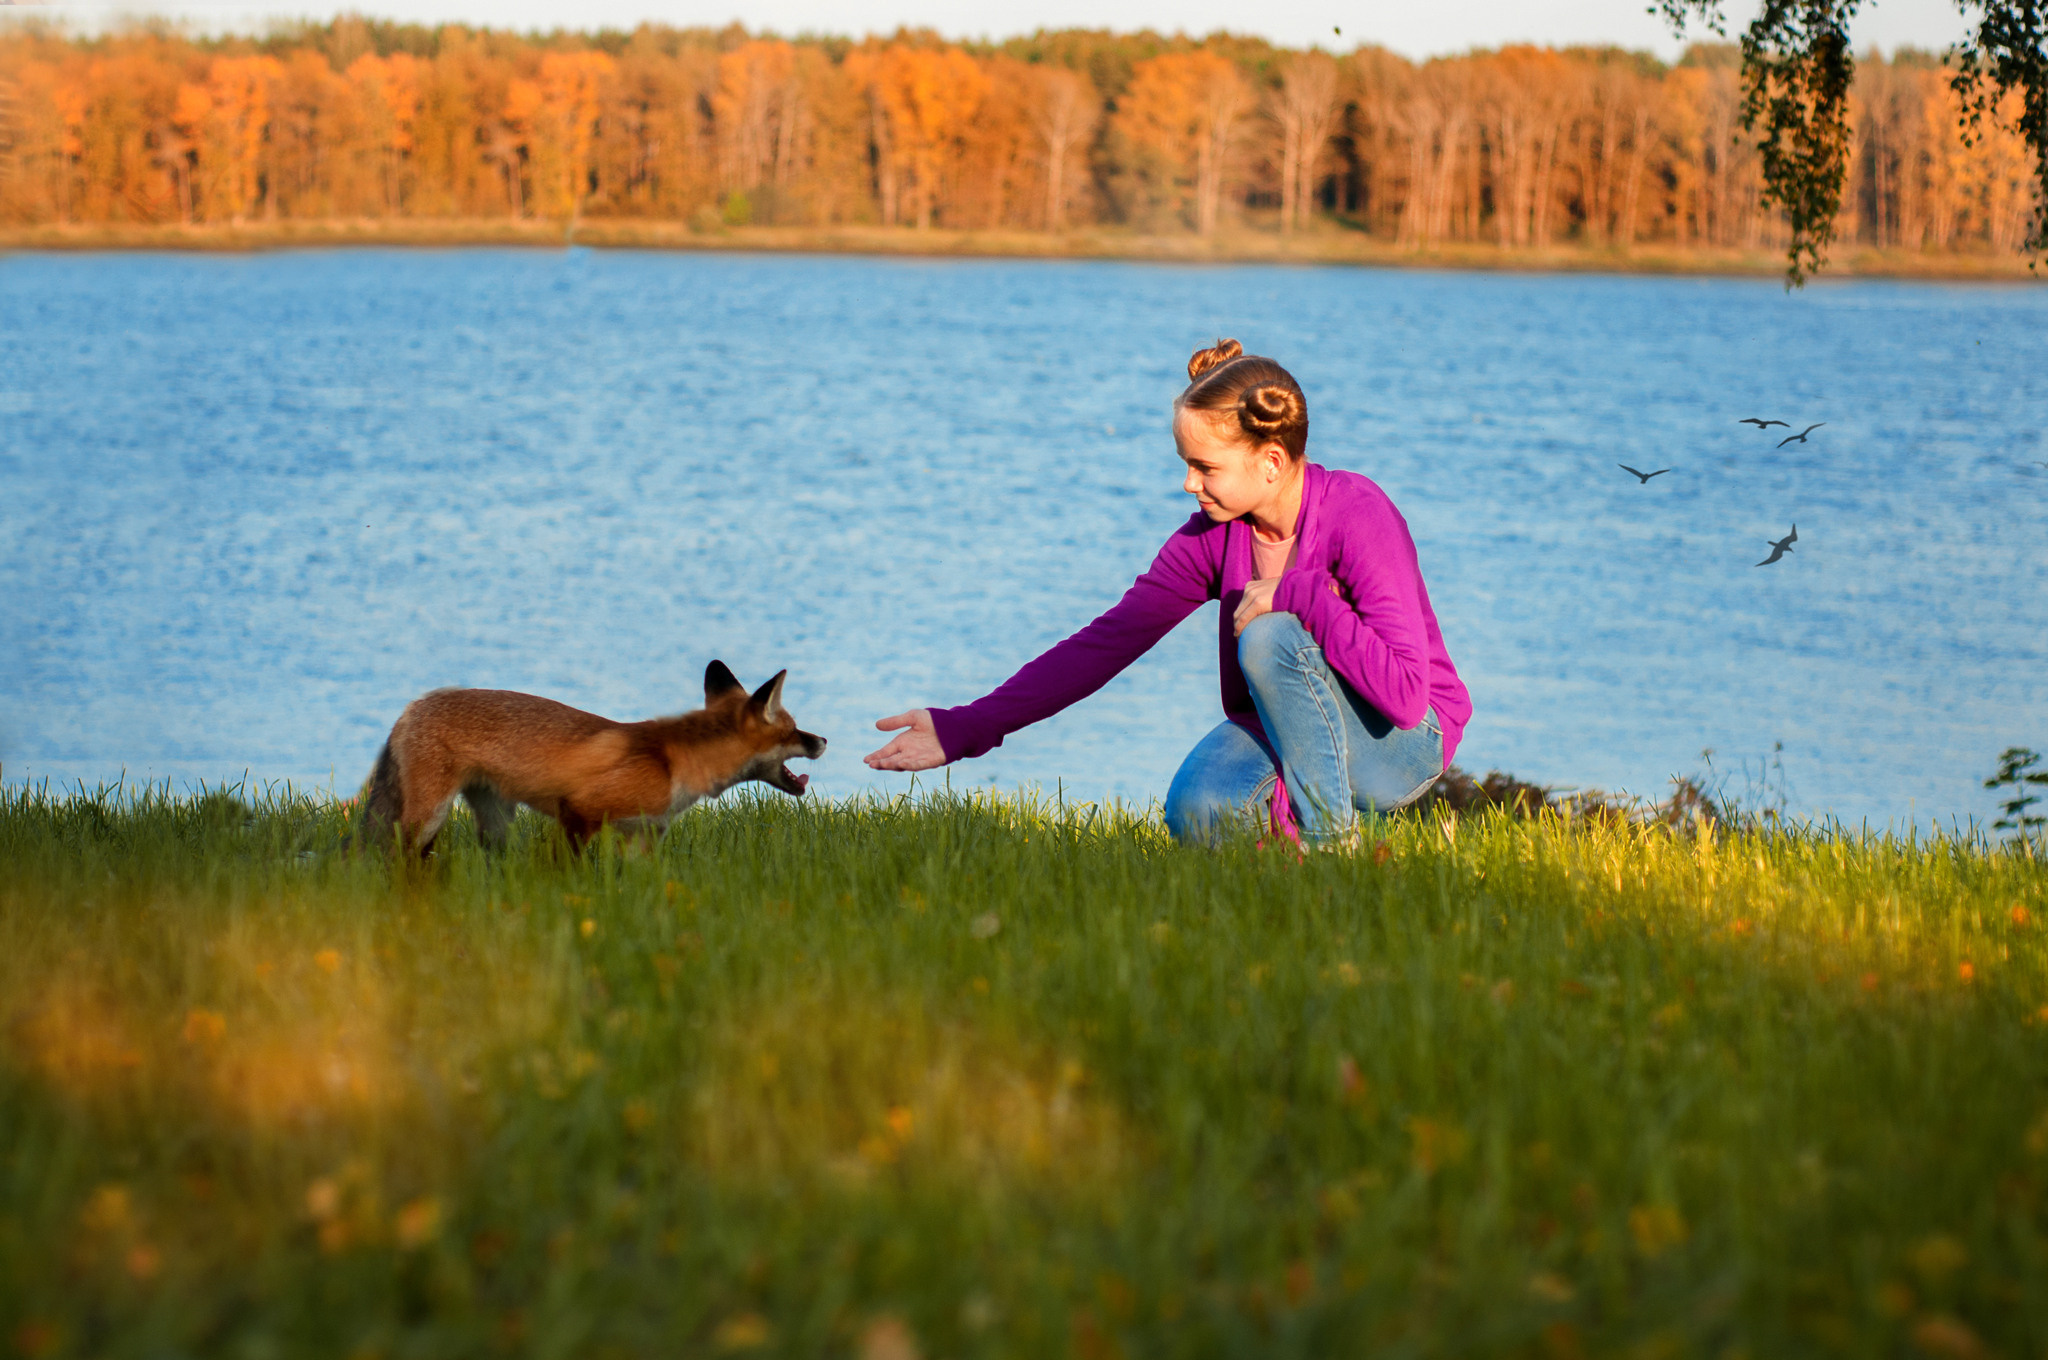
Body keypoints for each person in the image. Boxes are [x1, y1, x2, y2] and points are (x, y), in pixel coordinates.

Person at [864, 339, 1471, 847]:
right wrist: (967, 726)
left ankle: (1333, 852)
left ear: (1271, 461)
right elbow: (1104, 644)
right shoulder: (1213, 537)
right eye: (1186, 463)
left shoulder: (1359, 513)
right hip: (1287, 723)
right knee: (1199, 812)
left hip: (1405, 740)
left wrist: (1302, 593)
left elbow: (1405, 698)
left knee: (1270, 632)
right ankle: (1292, 875)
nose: (1188, 484)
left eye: (1205, 467)